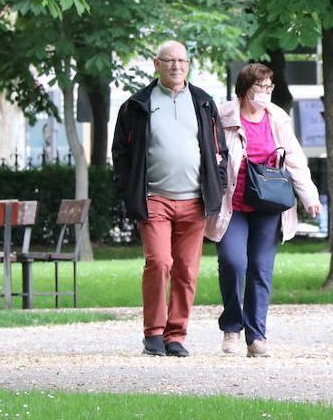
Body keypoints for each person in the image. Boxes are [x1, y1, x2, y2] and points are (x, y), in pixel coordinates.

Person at [111, 40, 226, 357]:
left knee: (186, 270)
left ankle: (176, 335)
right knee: (159, 262)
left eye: (182, 61)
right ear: (156, 63)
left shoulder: (203, 102)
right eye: (169, 60)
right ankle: (154, 333)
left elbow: (220, 151)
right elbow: (120, 153)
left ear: (188, 65)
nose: (176, 66)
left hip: (194, 201)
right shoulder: (137, 104)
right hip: (154, 198)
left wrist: (216, 186)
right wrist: (128, 187)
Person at [205, 63, 321, 358]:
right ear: (244, 90)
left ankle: (256, 337)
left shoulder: (277, 117)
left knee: (260, 269)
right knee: (233, 262)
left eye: (270, 87)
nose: (267, 93)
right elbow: (208, 157)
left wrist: (309, 196)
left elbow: (294, 158)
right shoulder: (224, 116)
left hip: (269, 204)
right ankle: (232, 327)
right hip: (233, 204)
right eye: (261, 87)